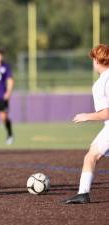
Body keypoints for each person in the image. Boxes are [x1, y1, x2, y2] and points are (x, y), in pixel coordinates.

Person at [63, 44, 109, 204]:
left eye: (93, 59)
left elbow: (107, 113)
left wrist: (86, 116)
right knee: (92, 153)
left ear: (97, 60)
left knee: (91, 157)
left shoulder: (101, 83)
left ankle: (83, 194)